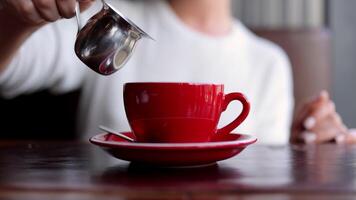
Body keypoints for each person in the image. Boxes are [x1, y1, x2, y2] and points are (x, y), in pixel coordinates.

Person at [0, 0, 354, 144]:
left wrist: (302, 152)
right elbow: (11, 70)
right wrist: (18, 17)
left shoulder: (269, 62)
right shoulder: (108, 18)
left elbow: (264, 179)